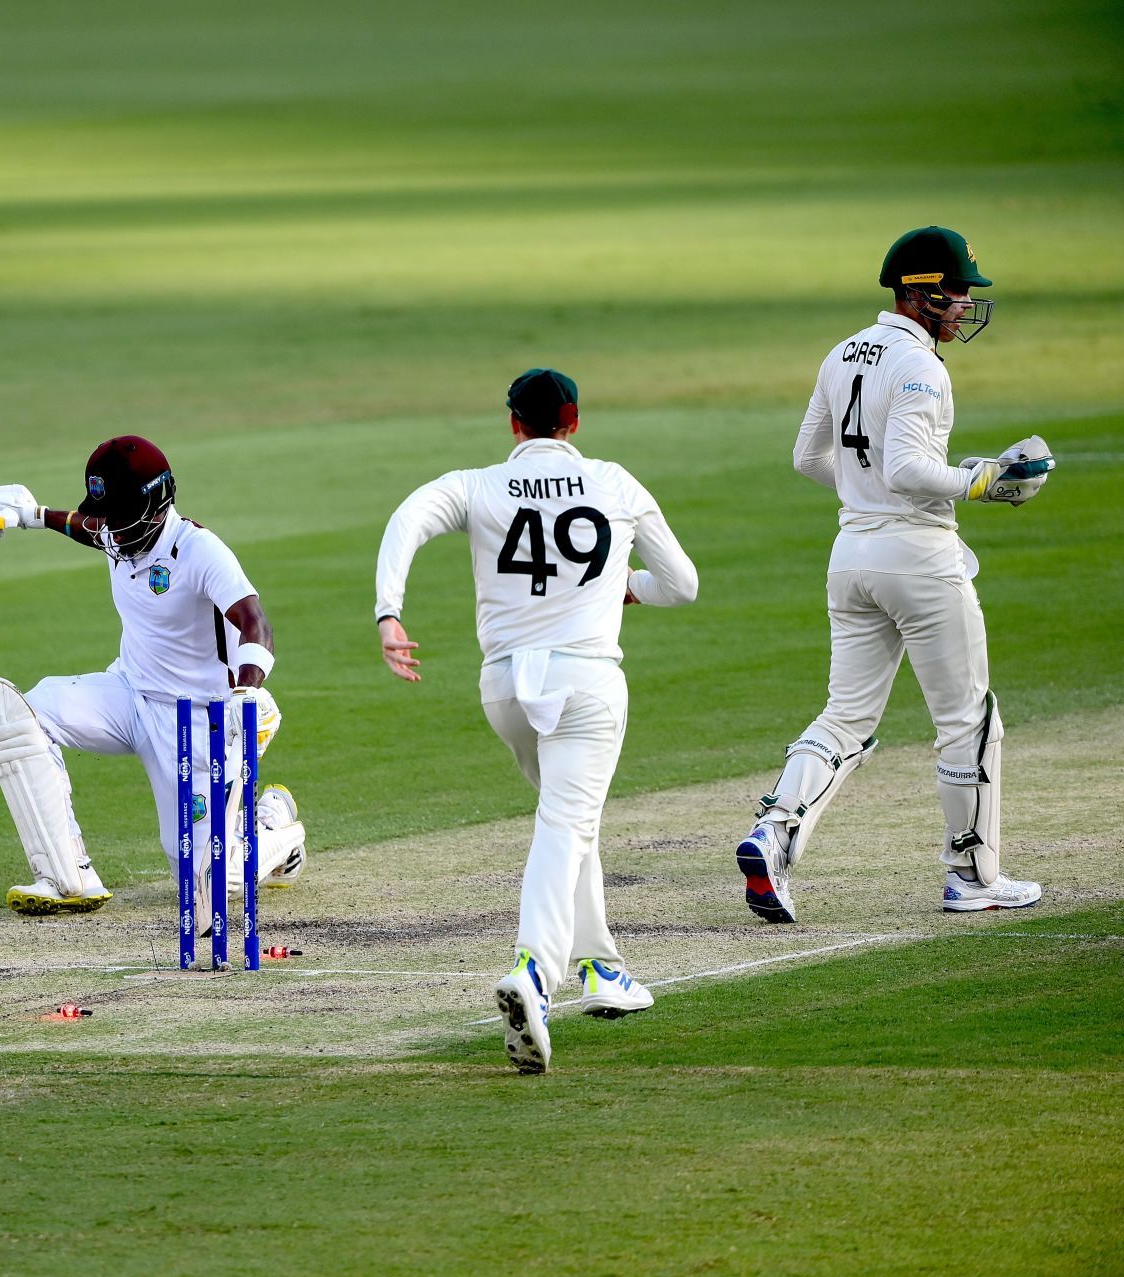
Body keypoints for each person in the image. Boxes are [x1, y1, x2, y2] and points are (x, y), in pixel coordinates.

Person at [375, 369, 697, 1074]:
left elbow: (409, 517)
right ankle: (534, 973)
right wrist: (625, 589)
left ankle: (604, 969)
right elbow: (683, 583)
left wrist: (389, 611)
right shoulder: (614, 482)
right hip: (586, 685)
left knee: (571, 823)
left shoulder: (479, 483)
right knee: (566, 826)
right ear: (573, 421)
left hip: (506, 691)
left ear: (513, 424)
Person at [735, 228, 1054, 923]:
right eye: (959, 290)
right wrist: (981, 480)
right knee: (968, 720)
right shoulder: (922, 367)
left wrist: (865, 500)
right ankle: (972, 877)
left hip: (851, 558)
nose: (967, 303)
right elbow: (910, 471)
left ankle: (774, 831)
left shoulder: (842, 352)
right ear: (920, 292)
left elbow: (807, 457)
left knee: (846, 716)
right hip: (920, 560)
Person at [0, 435, 306, 919]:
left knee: (209, 877)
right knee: (21, 713)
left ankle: (274, 824)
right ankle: (67, 877)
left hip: (198, 720)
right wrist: (31, 514)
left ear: (157, 503)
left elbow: (255, 623)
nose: (111, 531)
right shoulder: (120, 531)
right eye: (108, 515)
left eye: (120, 516)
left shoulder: (200, 551)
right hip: (128, 693)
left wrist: (247, 691)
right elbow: (85, 526)